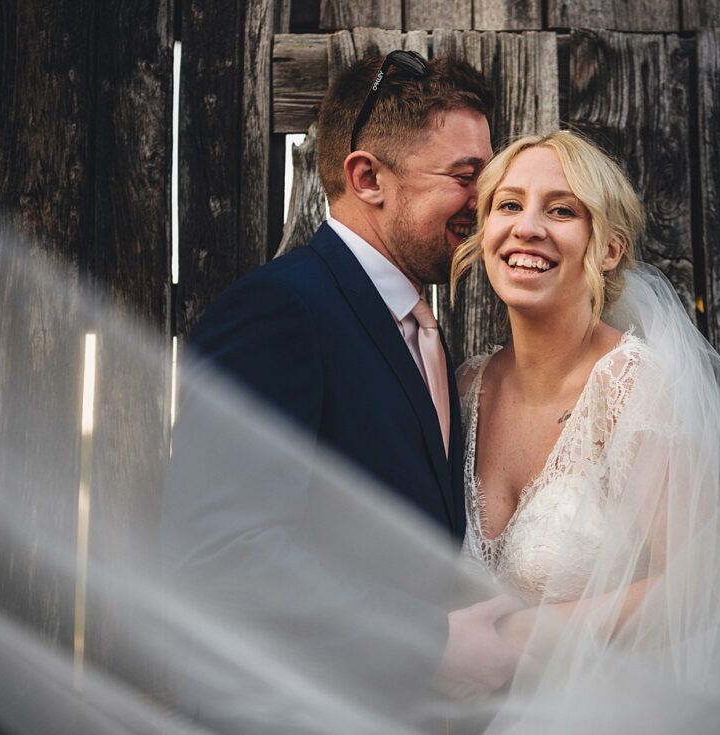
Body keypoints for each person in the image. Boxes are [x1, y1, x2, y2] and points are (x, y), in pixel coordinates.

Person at [161, 52, 522, 726]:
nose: (489, 203)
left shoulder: (422, 330)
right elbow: (221, 552)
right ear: (367, 178)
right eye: (466, 177)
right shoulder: (279, 311)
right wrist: (433, 644)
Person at [449, 131, 720, 733]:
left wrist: (525, 635)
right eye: (508, 205)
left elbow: (710, 589)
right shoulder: (466, 390)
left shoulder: (634, 389)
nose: (527, 227)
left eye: (563, 210)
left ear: (608, 251)